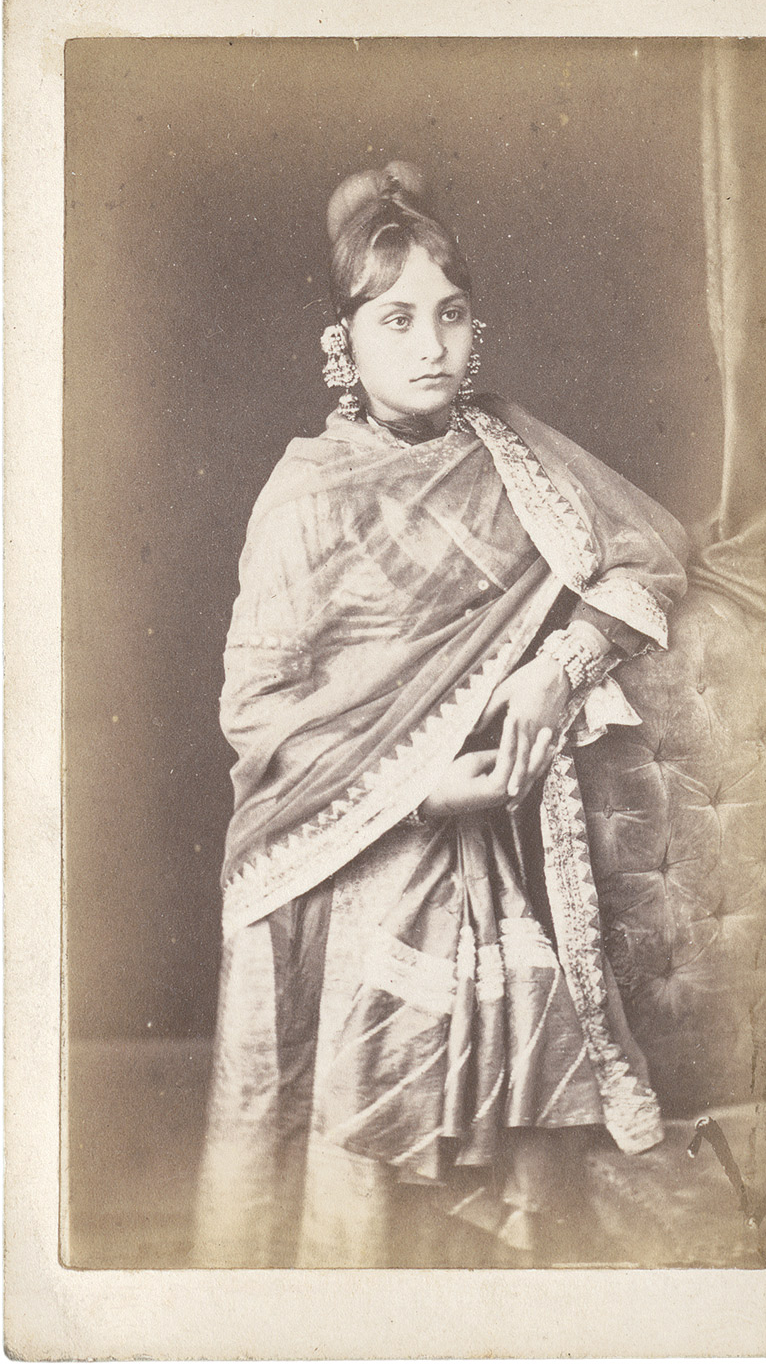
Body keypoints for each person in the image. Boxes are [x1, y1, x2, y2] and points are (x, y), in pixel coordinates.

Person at [193, 161, 688, 1268]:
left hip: (502, 827)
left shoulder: (514, 455)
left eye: (451, 314)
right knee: (388, 1011)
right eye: (397, 319)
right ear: (344, 343)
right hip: (351, 837)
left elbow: (645, 556)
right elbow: (259, 714)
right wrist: (418, 792)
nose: (432, 346)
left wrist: (557, 667)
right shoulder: (306, 493)